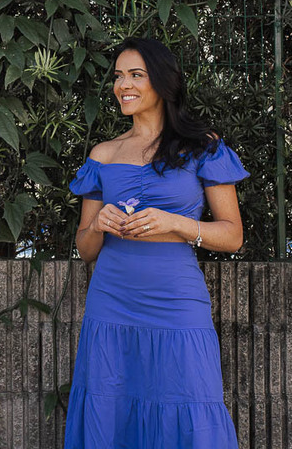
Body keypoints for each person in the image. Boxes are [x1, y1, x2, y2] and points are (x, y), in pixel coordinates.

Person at [64, 36, 244, 448]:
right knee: (110, 405)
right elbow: (86, 249)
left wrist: (177, 224)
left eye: (135, 75)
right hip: (111, 302)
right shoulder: (103, 155)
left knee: (190, 400)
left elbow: (233, 235)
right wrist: (99, 225)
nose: (122, 85)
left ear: (162, 82)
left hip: (177, 302)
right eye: (118, 76)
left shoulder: (204, 147)